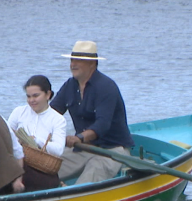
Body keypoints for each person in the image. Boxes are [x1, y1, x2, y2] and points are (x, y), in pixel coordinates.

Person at [50, 41, 134, 184]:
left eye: (79, 60)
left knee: (87, 180)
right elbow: (51, 114)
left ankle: (73, 200)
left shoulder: (106, 86)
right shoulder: (69, 85)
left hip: (112, 149)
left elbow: (102, 124)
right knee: (44, 172)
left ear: (92, 64)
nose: (73, 64)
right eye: (72, 59)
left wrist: (79, 138)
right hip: (83, 148)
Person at [7, 75, 66, 191]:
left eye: (36, 96)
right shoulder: (19, 112)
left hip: (42, 169)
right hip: (18, 165)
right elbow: (6, 135)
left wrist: (36, 140)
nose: (31, 100)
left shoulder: (58, 119)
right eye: (28, 96)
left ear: (48, 95)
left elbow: (59, 150)